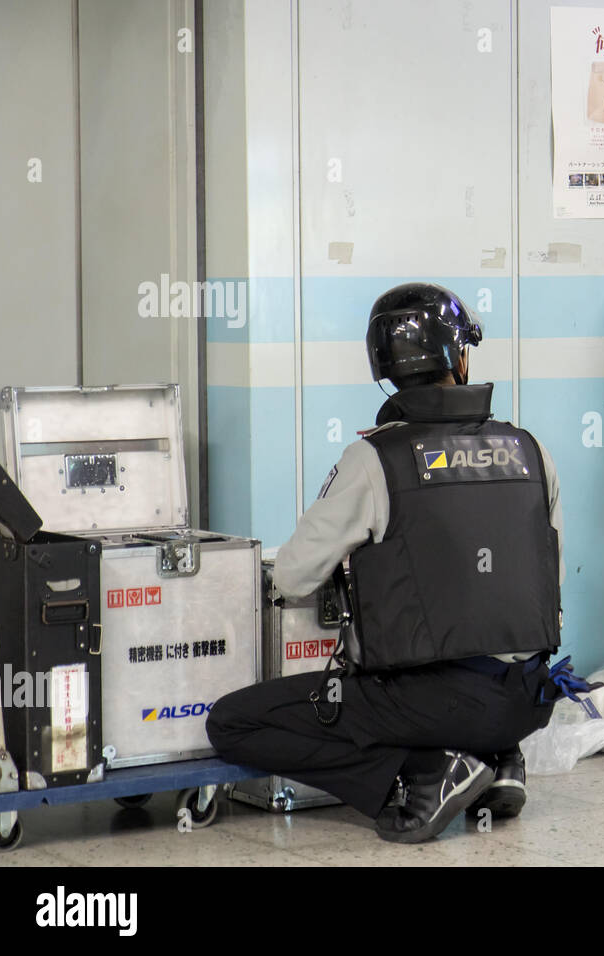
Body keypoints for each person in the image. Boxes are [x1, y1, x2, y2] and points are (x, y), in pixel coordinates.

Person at [207, 282, 569, 842]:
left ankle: (423, 774)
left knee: (232, 722)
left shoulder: (376, 458)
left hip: (436, 703)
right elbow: (545, 579)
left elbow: (295, 575)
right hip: (529, 697)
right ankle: (499, 759)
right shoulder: (530, 449)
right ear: (462, 356)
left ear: (384, 368)